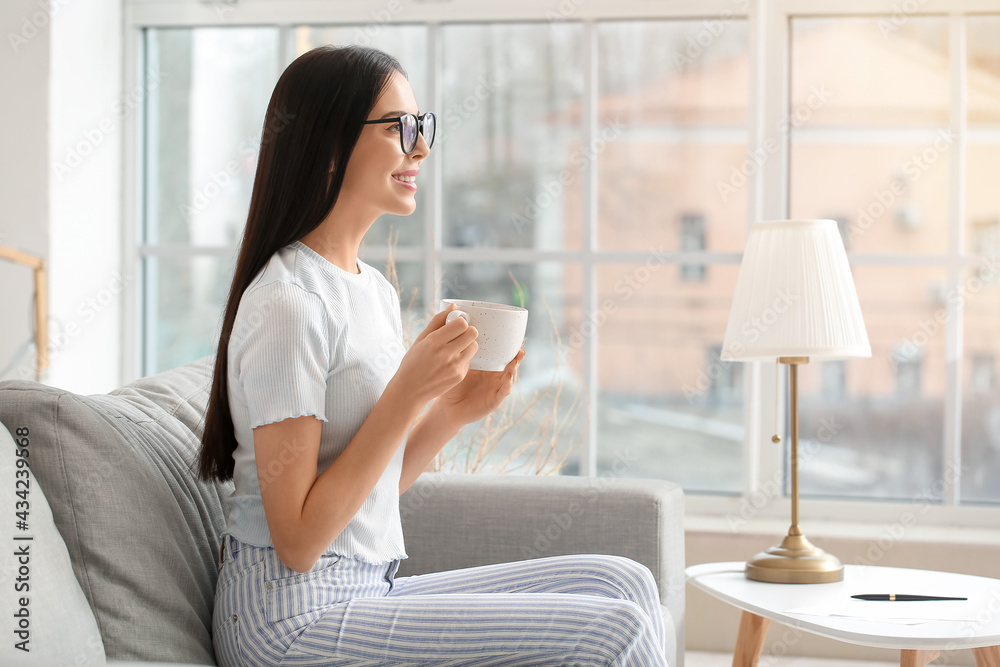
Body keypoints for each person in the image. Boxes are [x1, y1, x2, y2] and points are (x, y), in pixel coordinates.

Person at [197, 44, 669, 667]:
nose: (421, 148)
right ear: (329, 143)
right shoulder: (288, 302)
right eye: (401, 128)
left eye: (423, 126)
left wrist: (450, 411)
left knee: (622, 582)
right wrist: (408, 395)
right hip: (285, 621)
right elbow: (300, 541)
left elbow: (369, 492)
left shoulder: (373, 292)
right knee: (616, 633)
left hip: (362, 591)